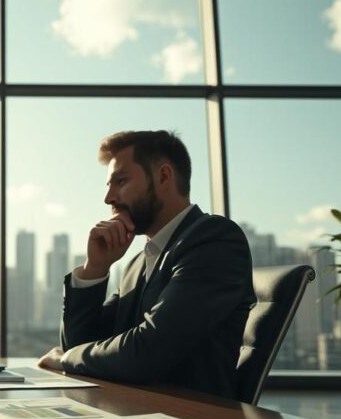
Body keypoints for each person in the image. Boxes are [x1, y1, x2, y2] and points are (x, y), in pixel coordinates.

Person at [37, 130, 256, 400]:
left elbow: (148, 351)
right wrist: (95, 268)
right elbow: (81, 347)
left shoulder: (215, 240)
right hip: (136, 413)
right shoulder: (137, 264)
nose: (109, 198)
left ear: (163, 177)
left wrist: (68, 358)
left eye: (121, 181)